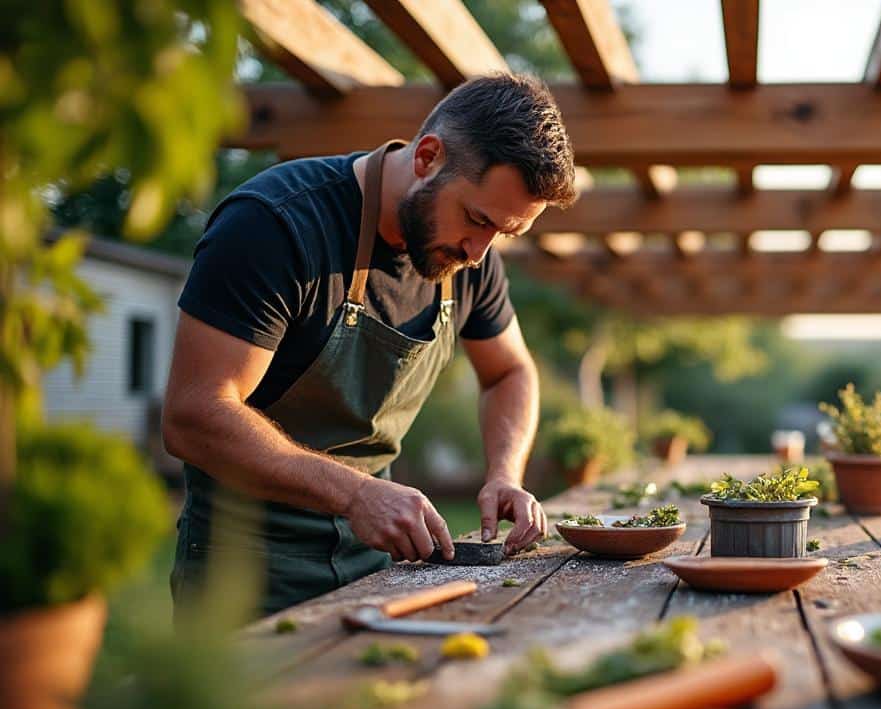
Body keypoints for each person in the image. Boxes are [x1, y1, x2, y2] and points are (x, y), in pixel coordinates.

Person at [163, 73, 577, 616]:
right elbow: (194, 413)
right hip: (243, 565)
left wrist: (504, 473)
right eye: (476, 219)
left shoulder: (470, 257)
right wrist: (355, 494)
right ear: (428, 157)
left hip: (379, 561)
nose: (479, 252)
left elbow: (510, 372)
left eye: (503, 233)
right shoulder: (275, 225)